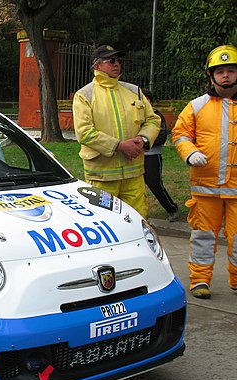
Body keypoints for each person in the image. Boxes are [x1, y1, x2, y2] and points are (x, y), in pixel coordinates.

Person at [172, 44, 237, 300]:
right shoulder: (197, 106)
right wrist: (189, 152)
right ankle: (199, 280)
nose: (225, 76)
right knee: (202, 237)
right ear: (211, 76)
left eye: (231, 70)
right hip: (206, 188)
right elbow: (180, 134)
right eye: (220, 71)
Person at [72, 45, 161, 218]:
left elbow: (153, 120)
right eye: (111, 60)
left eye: (119, 60)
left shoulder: (134, 91)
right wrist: (119, 146)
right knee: (105, 223)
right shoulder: (85, 95)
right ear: (96, 66)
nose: (117, 64)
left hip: (133, 174)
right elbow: (84, 132)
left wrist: (143, 139)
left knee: (138, 220)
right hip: (102, 177)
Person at [141, 88, 179, 222]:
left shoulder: (157, 116)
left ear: (150, 102)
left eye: (146, 100)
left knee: (155, 184)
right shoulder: (133, 116)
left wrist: (142, 141)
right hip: (135, 157)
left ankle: (172, 209)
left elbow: (161, 136)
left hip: (152, 155)